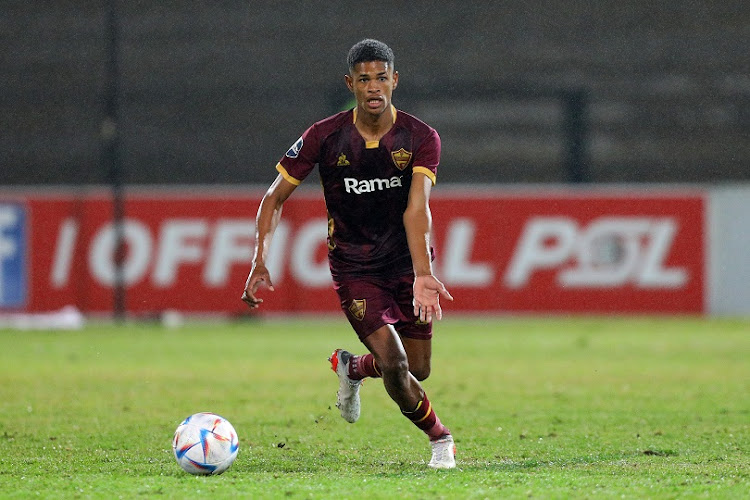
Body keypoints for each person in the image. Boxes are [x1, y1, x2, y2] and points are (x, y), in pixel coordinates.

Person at [241, 38, 456, 469]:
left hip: (404, 262)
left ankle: (353, 368)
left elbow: (418, 208)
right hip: (355, 266)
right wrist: (259, 259)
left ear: (395, 80)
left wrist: (423, 273)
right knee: (395, 365)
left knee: (419, 369)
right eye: (363, 79)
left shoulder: (419, 137)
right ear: (350, 83)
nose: (373, 87)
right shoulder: (324, 137)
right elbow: (273, 197)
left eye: (381, 77)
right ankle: (440, 440)